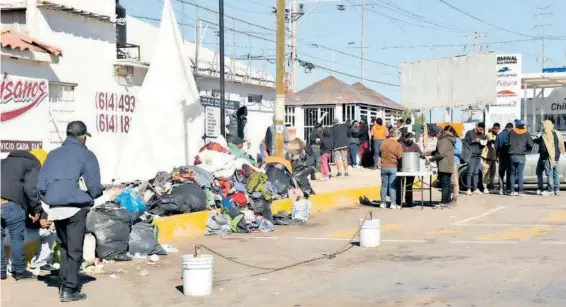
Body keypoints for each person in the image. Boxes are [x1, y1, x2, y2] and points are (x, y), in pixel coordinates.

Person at [38, 121, 103, 302]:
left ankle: (65, 281)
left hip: (56, 208)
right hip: (75, 207)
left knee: (65, 246)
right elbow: (95, 185)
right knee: (74, 250)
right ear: (83, 137)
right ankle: (69, 290)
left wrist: (51, 199)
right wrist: (92, 194)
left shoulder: (52, 155)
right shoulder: (86, 154)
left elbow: (41, 185)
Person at [1, 150, 43, 280]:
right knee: (16, 238)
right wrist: (36, 209)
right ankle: (19, 270)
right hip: (12, 203)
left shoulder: (2, 162)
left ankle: (1, 271)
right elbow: (30, 188)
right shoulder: (32, 163)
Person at [536, 119, 565, 196]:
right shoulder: (558, 133)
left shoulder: (545, 135)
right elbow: (561, 144)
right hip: (556, 157)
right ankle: (557, 189)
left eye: (544, 125)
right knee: (556, 174)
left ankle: (550, 190)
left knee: (549, 174)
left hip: (548, 157)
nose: (543, 126)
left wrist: (543, 155)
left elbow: (542, 148)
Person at [396, 132, 424, 207]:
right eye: (409, 138)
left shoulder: (415, 146)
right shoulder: (400, 144)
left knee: (409, 185)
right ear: (405, 138)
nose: (410, 139)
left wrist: (423, 156)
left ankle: (409, 202)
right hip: (401, 168)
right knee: (400, 185)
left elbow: (420, 154)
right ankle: (399, 201)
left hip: (411, 169)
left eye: (412, 138)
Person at [431, 125, 456, 207]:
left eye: (435, 135)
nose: (435, 137)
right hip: (448, 164)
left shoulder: (443, 140)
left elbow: (441, 154)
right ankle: (447, 200)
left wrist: (433, 158)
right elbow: (441, 151)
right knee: (448, 183)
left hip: (443, 164)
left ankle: (444, 201)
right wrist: (429, 153)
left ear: (438, 133)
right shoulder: (448, 139)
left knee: (445, 183)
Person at [507, 119, 534, 196]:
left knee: (512, 174)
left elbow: (507, 142)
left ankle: (512, 191)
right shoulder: (526, 132)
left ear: (516, 125)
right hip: (521, 155)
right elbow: (531, 145)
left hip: (512, 155)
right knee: (520, 174)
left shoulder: (511, 132)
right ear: (522, 125)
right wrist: (526, 151)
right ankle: (520, 191)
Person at [379, 129, 403, 209]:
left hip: (383, 166)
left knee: (384, 186)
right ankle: (393, 203)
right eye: (399, 136)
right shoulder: (397, 144)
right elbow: (400, 157)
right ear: (397, 135)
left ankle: (383, 203)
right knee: (392, 186)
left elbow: (380, 153)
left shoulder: (383, 142)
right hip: (393, 166)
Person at [464, 122, 487, 195]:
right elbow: (465, 142)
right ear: (477, 126)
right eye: (480, 127)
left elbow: (483, 145)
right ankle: (468, 189)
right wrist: (474, 140)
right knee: (470, 173)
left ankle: (475, 188)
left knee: (476, 173)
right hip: (471, 155)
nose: (481, 129)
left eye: (482, 128)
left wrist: (484, 143)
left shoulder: (483, 135)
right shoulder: (470, 133)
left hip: (478, 155)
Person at [495, 123, 514, 195]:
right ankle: (508, 189)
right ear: (511, 128)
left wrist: (496, 156)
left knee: (501, 173)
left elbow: (496, 147)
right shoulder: (512, 134)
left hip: (501, 156)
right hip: (510, 156)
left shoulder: (499, 135)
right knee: (509, 173)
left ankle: (501, 189)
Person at [482, 123, 500, 193]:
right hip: (487, 157)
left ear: (499, 129)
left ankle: (492, 186)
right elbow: (491, 140)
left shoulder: (498, 135)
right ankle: (485, 187)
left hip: (494, 158)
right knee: (486, 173)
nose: (495, 130)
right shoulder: (489, 134)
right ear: (492, 128)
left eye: (497, 129)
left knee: (493, 173)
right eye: (494, 128)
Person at [452, 128, 463, 202]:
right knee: (451, 180)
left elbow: (459, 151)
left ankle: (455, 196)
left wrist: (450, 149)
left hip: (455, 162)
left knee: (454, 180)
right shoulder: (451, 140)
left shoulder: (457, 140)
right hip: (450, 162)